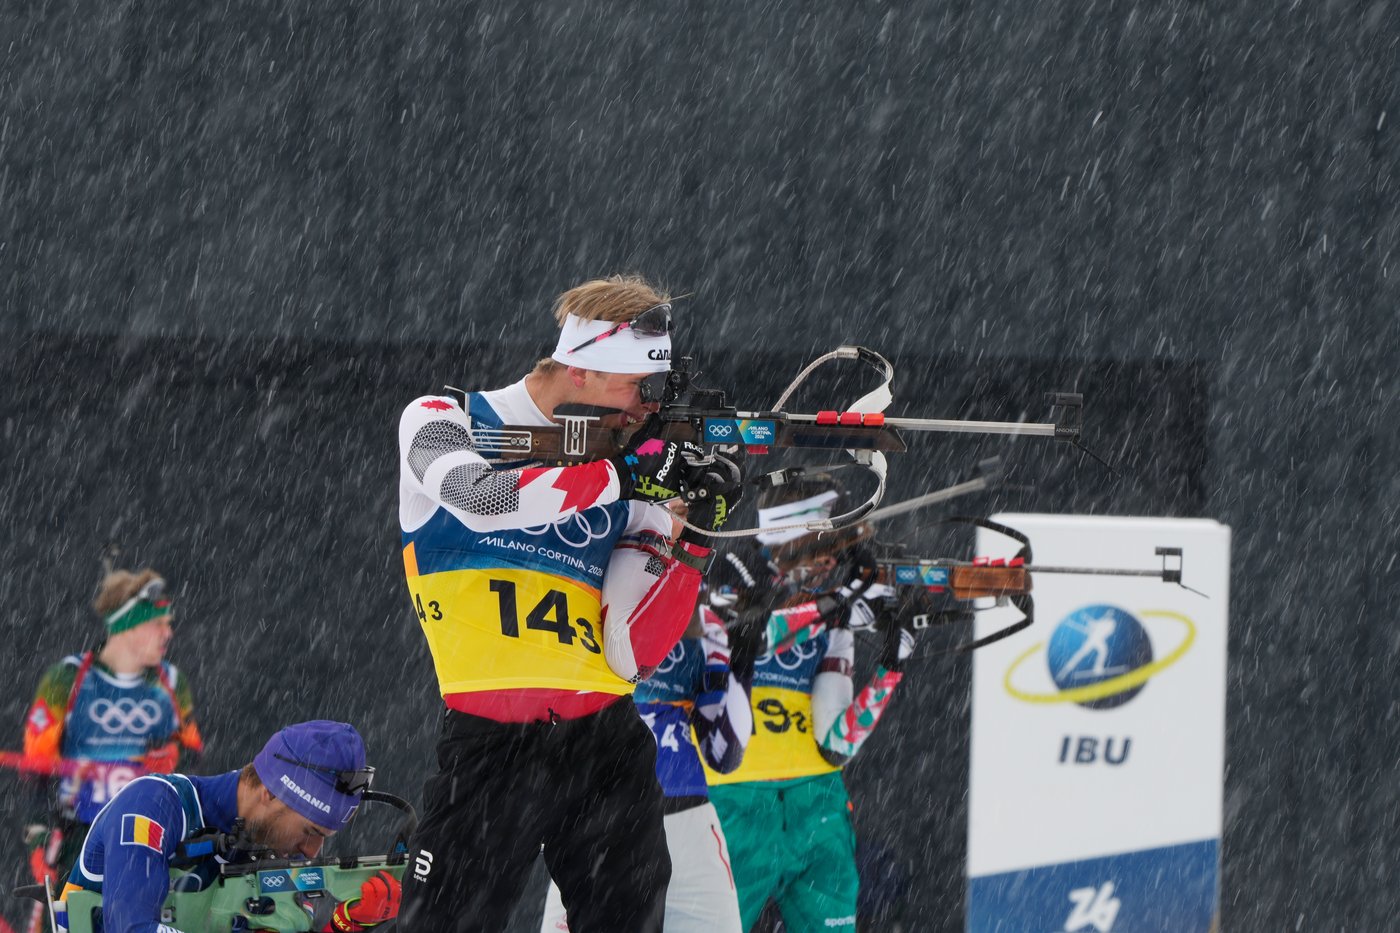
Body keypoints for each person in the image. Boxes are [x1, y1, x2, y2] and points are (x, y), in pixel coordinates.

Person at [394, 275, 744, 932]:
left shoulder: (624, 470)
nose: (644, 409)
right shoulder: (447, 416)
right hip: (492, 745)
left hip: (604, 743)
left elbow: (630, 647)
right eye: (636, 388)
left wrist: (695, 532)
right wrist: (623, 476)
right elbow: (474, 495)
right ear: (582, 367)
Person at [703, 474, 921, 933]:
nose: (832, 561)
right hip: (729, 799)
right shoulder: (731, 569)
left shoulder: (832, 597)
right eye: (825, 547)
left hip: (816, 800)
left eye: (838, 550)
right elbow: (744, 636)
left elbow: (835, 744)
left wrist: (892, 664)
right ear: (791, 535)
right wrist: (837, 603)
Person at [539, 587, 754, 932]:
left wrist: (744, 653)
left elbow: (725, 754)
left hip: (683, 823)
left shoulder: (704, 622)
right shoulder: (582, 592)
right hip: (598, 821)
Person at [57, 720, 398, 933]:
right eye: (310, 832)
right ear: (270, 792)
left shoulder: (277, 858)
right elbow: (130, 927)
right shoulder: (152, 805)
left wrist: (344, 926)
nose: (311, 852)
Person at [20, 567, 204, 903]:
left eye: (169, 623)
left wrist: (172, 762)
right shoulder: (68, 678)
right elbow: (35, 768)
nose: (168, 633)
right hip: (78, 837)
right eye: (158, 624)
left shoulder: (172, 683)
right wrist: (37, 834)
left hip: (147, 836)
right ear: (128, 627)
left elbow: (193, 760)